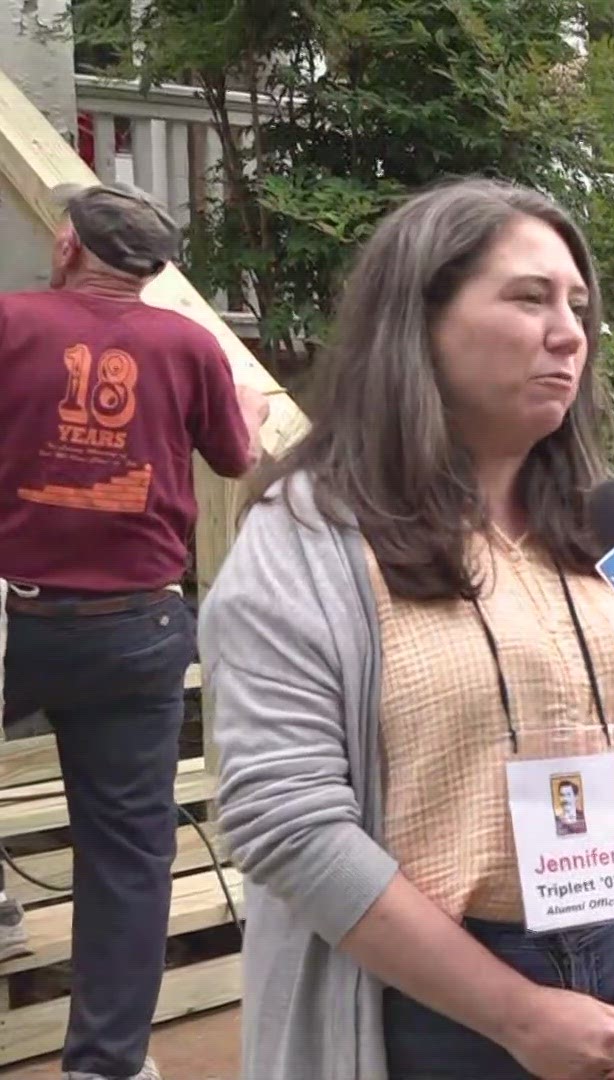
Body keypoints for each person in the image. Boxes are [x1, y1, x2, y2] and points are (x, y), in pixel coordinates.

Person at [196, 178, 614, 1080]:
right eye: (529, 297)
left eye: (579, 306)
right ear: (419, 321)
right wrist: (515, 1014)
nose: (571, 332)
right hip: (432, 1008)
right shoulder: (310, 541)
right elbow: (284, 819)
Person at [0, 181, 267, 1080]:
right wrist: (254, 414)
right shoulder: (189, 345)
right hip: (135, 627)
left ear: (69, 244)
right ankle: (106, 1066)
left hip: (11, 617)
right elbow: (239, 458)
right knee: (125, 854)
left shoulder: (9, 323)